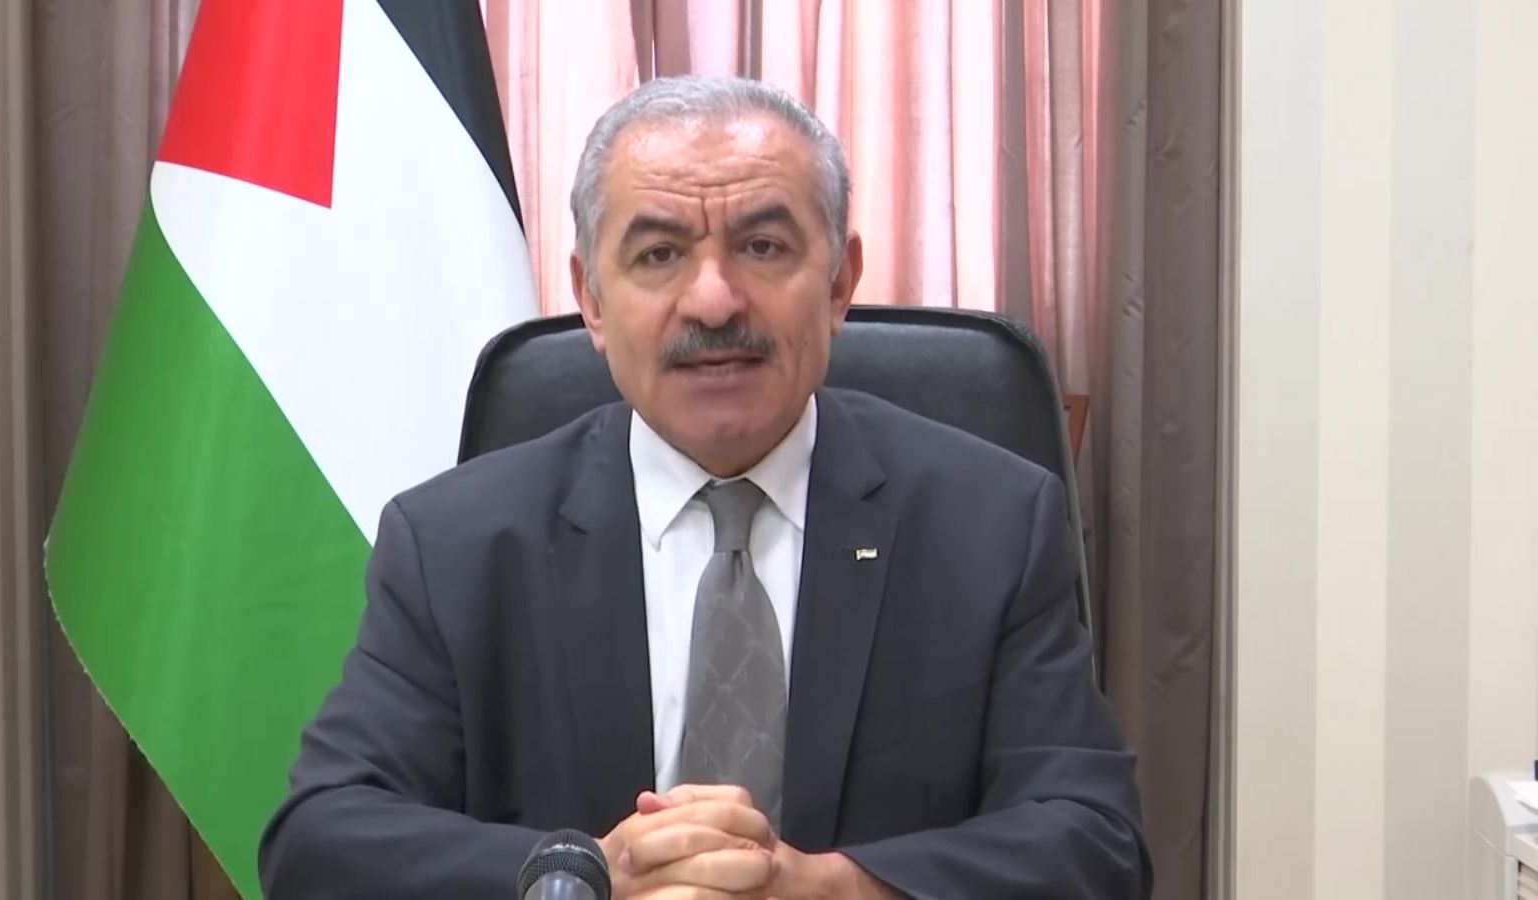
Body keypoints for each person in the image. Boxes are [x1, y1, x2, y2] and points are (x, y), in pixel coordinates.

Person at [260, 75, 1150, 899]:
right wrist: (588, 875)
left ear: (839, 283)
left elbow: (1094, 842)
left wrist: (830, 888)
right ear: (591, 300)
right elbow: (319, 842)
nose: (714, 301)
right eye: (658, 254)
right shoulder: (454, 545)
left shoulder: (993, 524)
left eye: (763, 247)